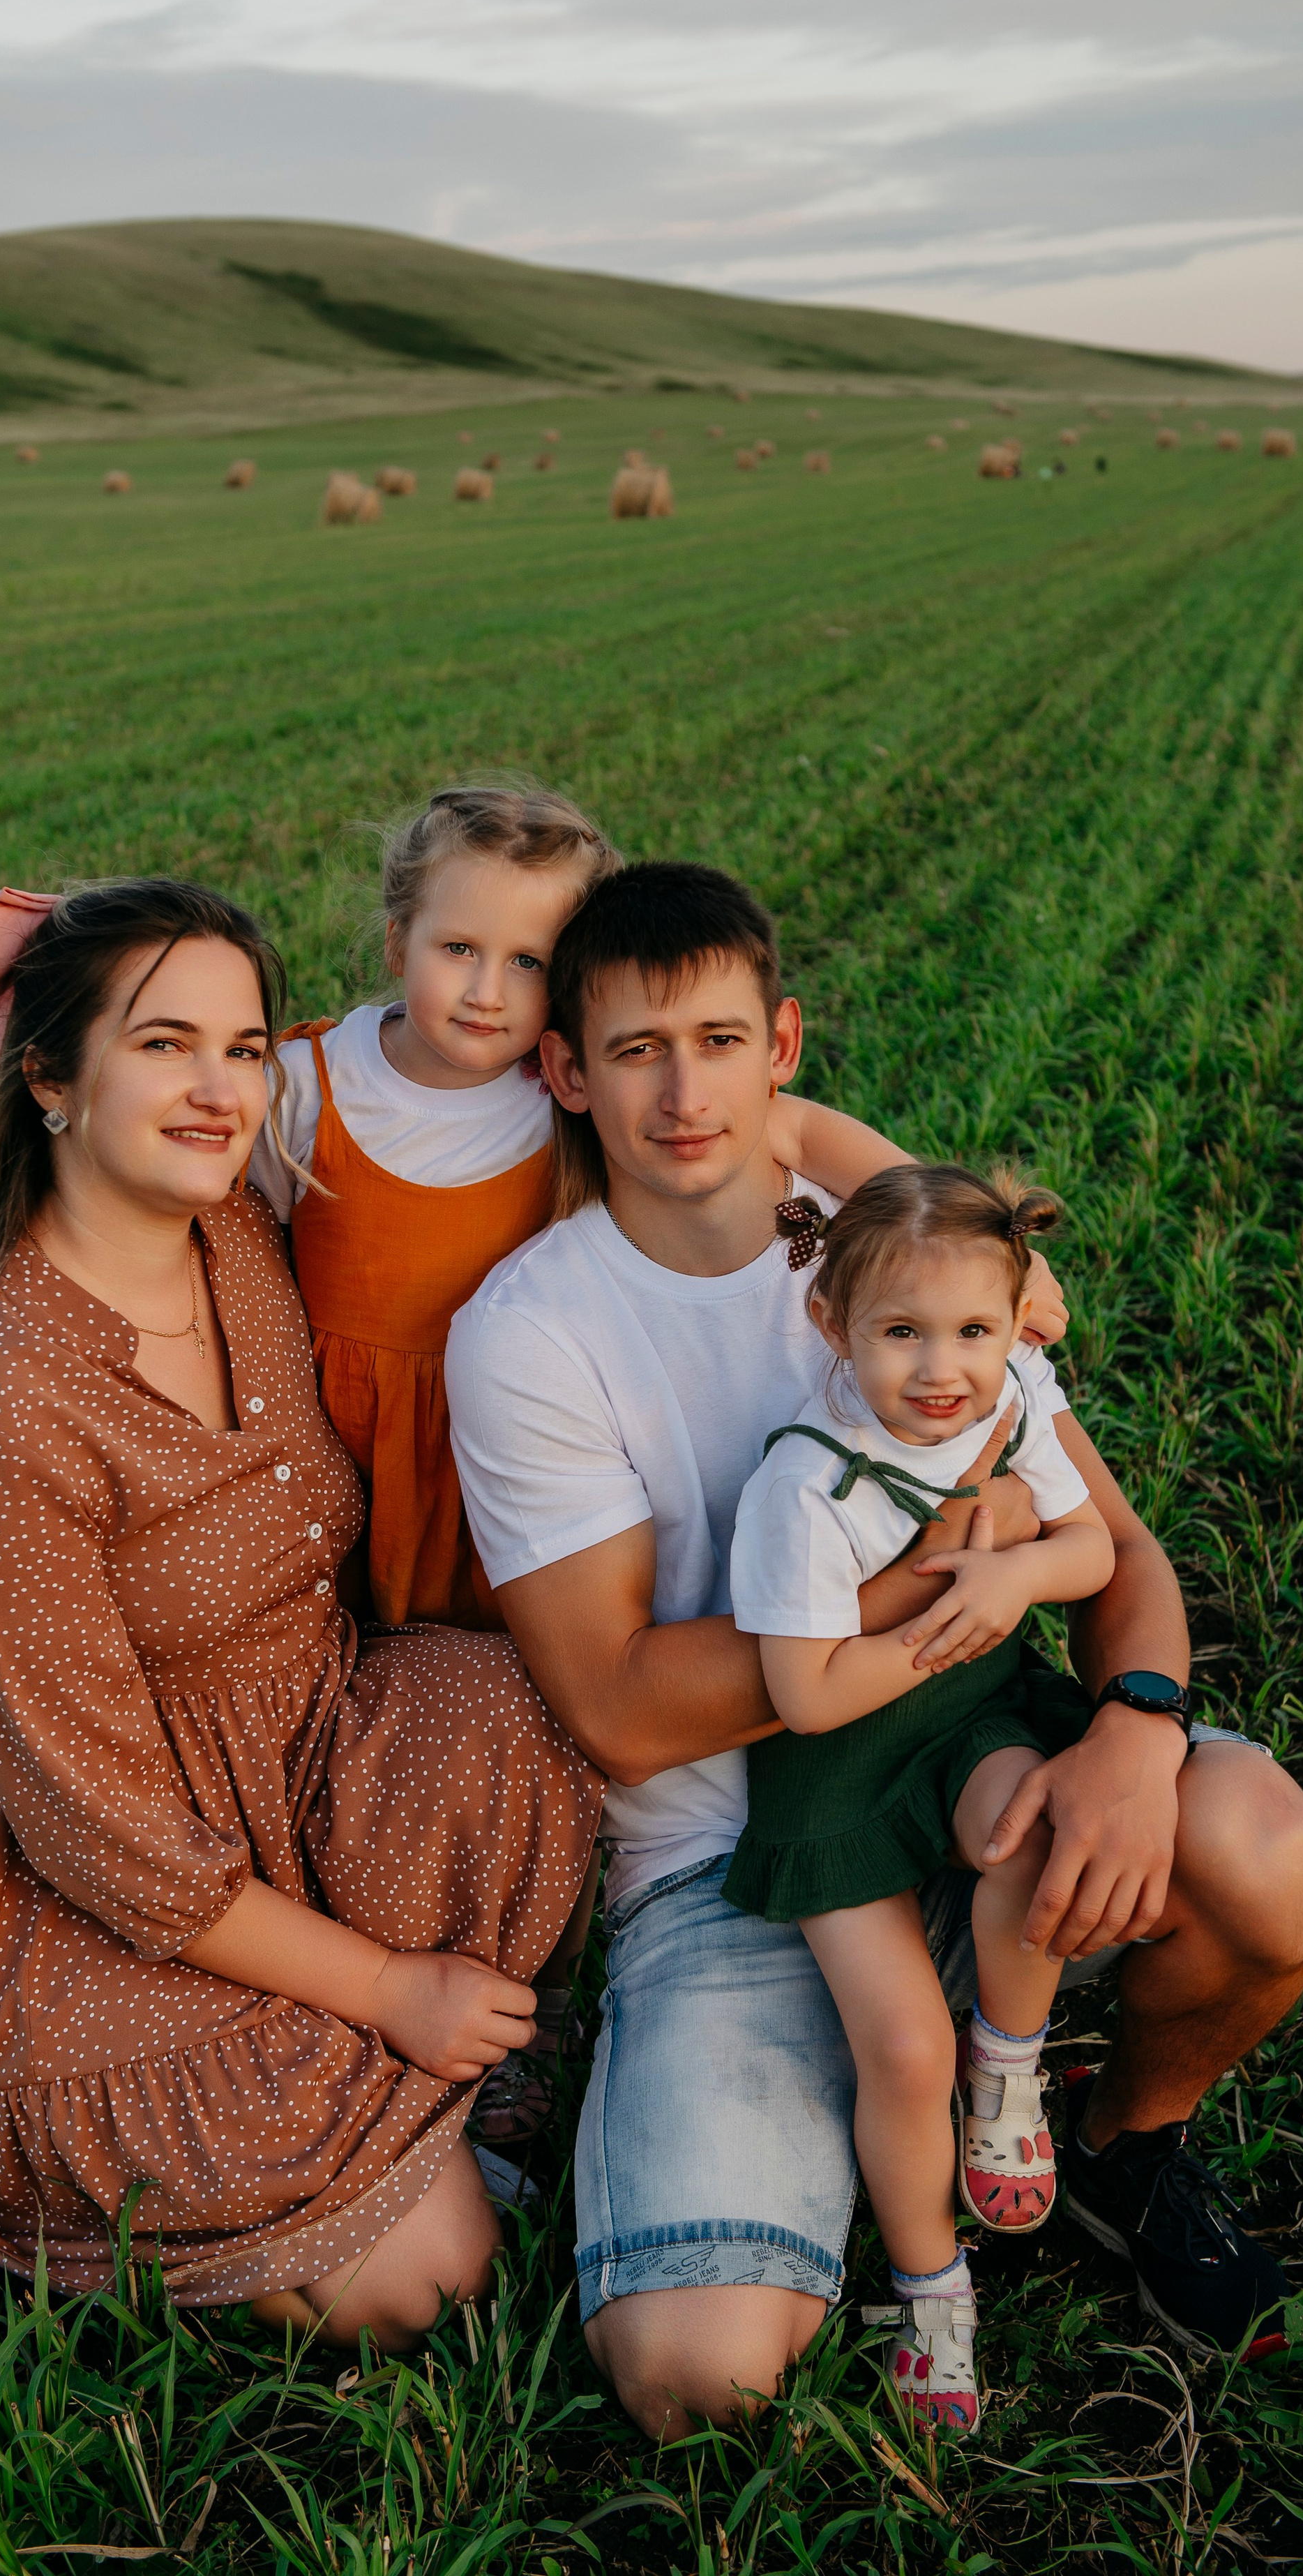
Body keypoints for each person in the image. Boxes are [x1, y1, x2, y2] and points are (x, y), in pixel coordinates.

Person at [445, 859, 1303, 2440]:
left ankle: (1109, 2147)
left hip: (984, 1769)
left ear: (781, 1043)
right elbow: (617, 1710)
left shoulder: (904, 1262)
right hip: (740, 1862)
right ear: (565, 1075)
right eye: (635, 1051)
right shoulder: (534, 1329)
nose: (681, 1090)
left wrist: (1133, 1724)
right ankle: (834, 2134)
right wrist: (923, 1577)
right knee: (690, 2374)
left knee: (1256, 1847)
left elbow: (1111, 1550)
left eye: (717, 1040)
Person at [0, 876, 601, 2347]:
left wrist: (904, 1222)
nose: (223, 1088)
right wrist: (391, 1984)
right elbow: (100, 1836)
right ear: (44, 1074)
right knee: (437, 2285)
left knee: (519, 1702)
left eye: (243, 1047)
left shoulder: (235, 1231)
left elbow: (463, 1109)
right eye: (166, 1043)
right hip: (73, 1888)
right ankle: (364, 2089)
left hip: (291, 1744)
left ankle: (378, 2095)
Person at [250, 776, 993, 2136]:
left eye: (528, 964)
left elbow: (798, 1128)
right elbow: (183, 1146)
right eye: (454, 948)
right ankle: (363, 1952)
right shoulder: (305, 1083)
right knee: (371, 1720)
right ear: (392, 935)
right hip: (361, 1465)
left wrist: (969, 1228)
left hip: (521, 1478)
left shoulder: (570, 1100)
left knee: (532, 1730)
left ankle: (533, 1976)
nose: (485, 989)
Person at [723, 1165, 1118, 2434]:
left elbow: (1093, 1547)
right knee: (902, 2049)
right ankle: (927, 2280)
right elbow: (807, 1695)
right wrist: (961, 1604)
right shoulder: (807, 1484)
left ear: (1014, 1326)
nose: (943, 1369)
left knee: (1024, 1825)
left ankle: (1011, 2065)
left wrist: (1019, 1580)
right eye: (902, 1333)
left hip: (970, 1724)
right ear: (832, 1325)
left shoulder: (1014, 1402)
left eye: (974, 1332)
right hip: (833, 1769)